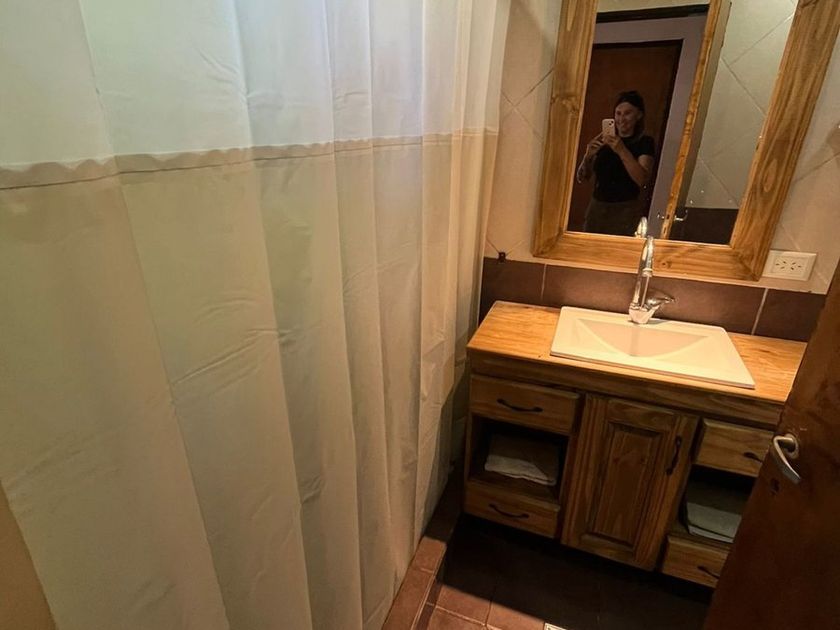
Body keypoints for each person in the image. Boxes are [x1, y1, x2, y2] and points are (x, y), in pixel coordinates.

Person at [576, 90, 655, 236]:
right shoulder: (604, 140)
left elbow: (642, 180)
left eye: (627, 113)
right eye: (618, 113)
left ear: (639, 115)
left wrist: (621, 150)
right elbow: (583, 177)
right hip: (596, 207)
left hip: (624, 210)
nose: (621, 119)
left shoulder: (645, 142)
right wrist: (587, 156)